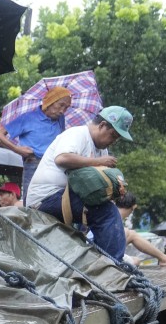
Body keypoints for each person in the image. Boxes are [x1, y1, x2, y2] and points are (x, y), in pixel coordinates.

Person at [25, 106, 134, 260]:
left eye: (117, 139)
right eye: (113, 135)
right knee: (106, 213)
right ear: (102, 125)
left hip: (69, 198)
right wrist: (98, 162)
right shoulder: (77, 134)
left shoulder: (101, 150)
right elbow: (62, 158)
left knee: (108, 209)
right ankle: (113, 265)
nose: (113, 141)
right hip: (45, 199)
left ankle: (103, 262)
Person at [0, 86, 72, 195]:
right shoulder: (27, 118)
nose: (63, 111)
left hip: (55, 165)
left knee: (56, 200)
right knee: (31, 201)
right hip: (34, 163)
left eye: (66, 107)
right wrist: (17, 149)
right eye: (61, 105)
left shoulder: (60, 119)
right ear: (50, 101)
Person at [115, 192, 166, 269]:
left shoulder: (111, 215)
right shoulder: (113, 216)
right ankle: (165, 259)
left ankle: (164, 258)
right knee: (132, 236)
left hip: (104, 251)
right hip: (104, 255)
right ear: (133, 207)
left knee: (136, 259)